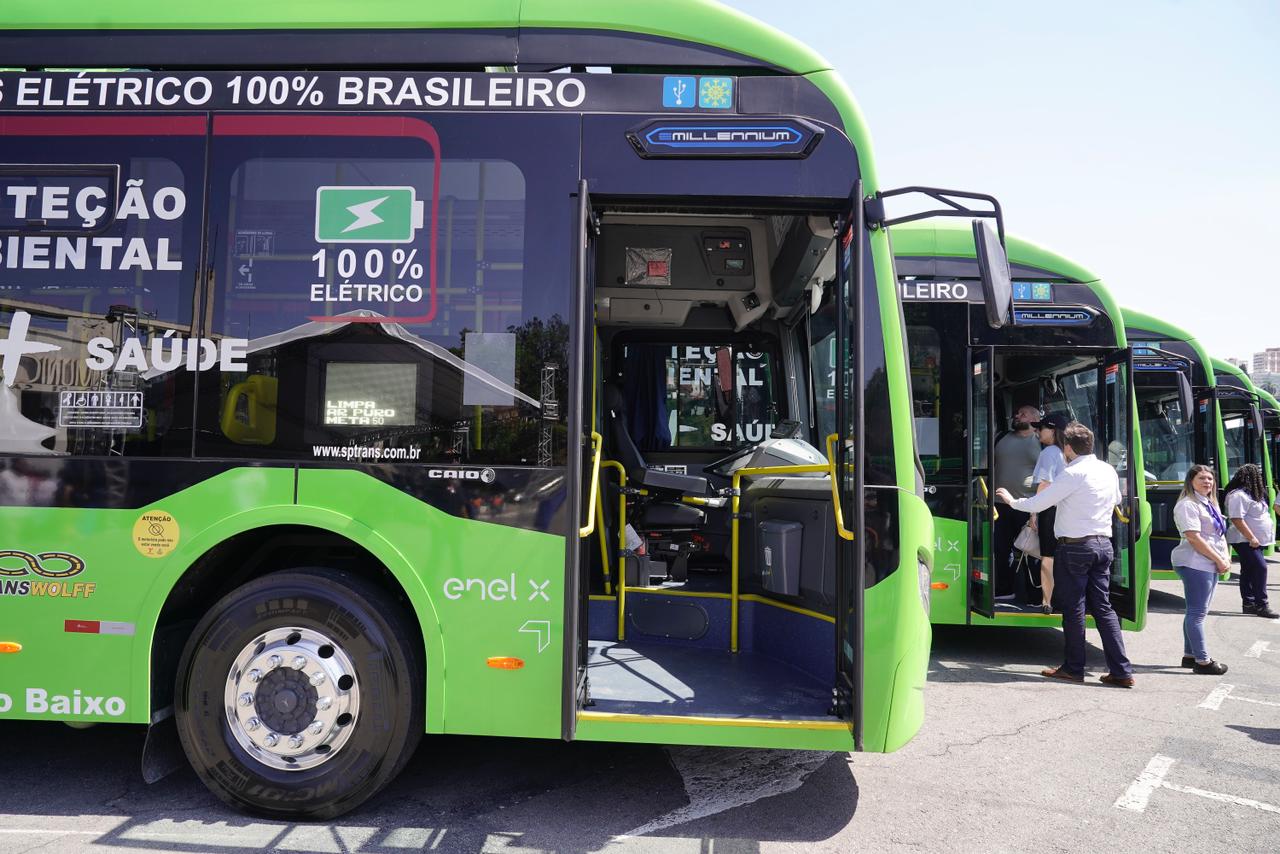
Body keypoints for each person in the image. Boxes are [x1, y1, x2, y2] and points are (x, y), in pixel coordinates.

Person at [995, 421, 1134, 688]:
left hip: (1075, 547)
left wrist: (1012, 502)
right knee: (1104, 608)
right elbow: (1116, 499)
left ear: (1068, 448)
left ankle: (1072, 668)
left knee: (1074, 609)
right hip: (1104, 545)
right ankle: (1121, 670)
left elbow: (1040, 502)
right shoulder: (1107, 470)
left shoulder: (1073, 473)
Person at [1171, 464, 1232, 673]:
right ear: (1191, 482)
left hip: (1208, 562)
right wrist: (1219, 559)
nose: (1207, 482)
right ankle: (1202, 661)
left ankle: (1190, 656)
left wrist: (1225, 558)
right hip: (1195, 562)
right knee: (1197, 614)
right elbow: (1194, 538)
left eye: (1210, 479)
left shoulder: (1209, 503)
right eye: (1201, 479)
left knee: (1195, 612)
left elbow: (1217, 535)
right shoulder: (1188, 505)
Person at [993, 404, 1043, 601]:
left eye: (1022, 414)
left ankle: (1034, 594)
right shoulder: (1001, 437)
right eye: (1017, 413)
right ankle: (1005, 589)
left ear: (1034, 418)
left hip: (1028, 506)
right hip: (1000, 504)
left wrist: (1036, 511)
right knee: (1001, 548)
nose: (1017, 416)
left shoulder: (1041, 442)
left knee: (1030, 549)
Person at [1224, 463, 1278, 619]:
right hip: (1244, 540)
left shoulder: (1252, 494)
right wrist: (1251, 537)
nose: (1259, 478)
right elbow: (1236, 518)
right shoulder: (1237, 495)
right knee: (1261, 568)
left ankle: (1248, 604)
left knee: (1248, 570)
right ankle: (1262, 605)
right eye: (1257, 476)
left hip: (1255, 540)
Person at [1029, 413, 1069, 614]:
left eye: (1041, 428)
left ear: (1052, 431)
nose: (1037, 431)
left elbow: (1044, 484)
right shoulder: (1070, 452)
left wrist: (1033, 512)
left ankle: (1047, 600)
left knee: (1047, 556)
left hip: (1050, 510)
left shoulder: (1049, 452)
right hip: (1068, 510)